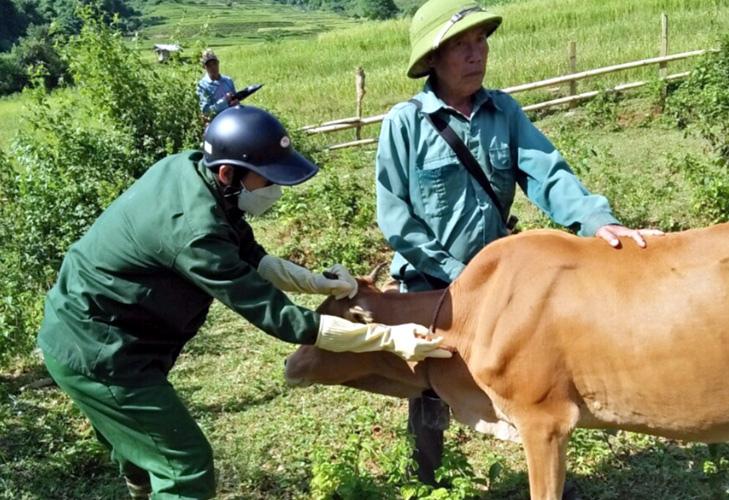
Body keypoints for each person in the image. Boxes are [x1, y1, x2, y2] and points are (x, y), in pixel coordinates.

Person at [37, 105, 451, 500]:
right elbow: (282, 320)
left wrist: (318, 283)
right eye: (267, 180)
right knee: (185, 466)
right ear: (228, 173)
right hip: (99, 349)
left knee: (140, 447)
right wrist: (386, 338)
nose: (274, 190)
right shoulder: (195, 235)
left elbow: (246, 253)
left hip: (111, 330)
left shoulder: (191, 171)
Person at [374, 0, 663, 494]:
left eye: (481, 41)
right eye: (461, 45)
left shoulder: (503, 111)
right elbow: (396, 217)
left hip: (499, 288)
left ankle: (547, 474)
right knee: (430, 386)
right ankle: (425, 478)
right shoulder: (406, 124)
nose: (476, 53)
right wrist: (455, 275)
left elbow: (546, 173)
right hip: (432, 284)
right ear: (433, 59)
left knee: (533, 381)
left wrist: (596, 221)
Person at [196, 49, 238, 120]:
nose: (213, 67)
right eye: (209, 65)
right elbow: (206, 111)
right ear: (204, 67)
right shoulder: (202, 86)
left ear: (218, 64)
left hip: (232, 117)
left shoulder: (228, 81)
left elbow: (235, 98)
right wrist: (225, 101)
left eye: (214, 63)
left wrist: (236, 102)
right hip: (215, 121)